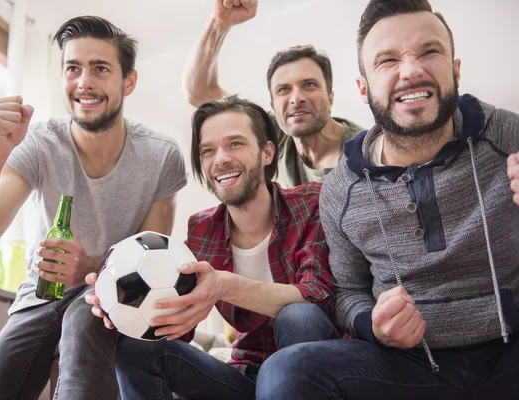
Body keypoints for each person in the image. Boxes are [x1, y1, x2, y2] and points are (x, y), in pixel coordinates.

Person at [256, 0, 519, 398]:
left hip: (511, 346)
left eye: (429, 52)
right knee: (287, 372)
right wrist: (372, 326)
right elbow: (347, 292)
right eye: (388, 60)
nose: (411, 72)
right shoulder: (340, 189)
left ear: (455, 69)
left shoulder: (508, 135)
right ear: (363, 89)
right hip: (411, 365)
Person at [0, 16, 187, 400]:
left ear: (128, 81)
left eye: (100, 69)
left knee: (84, 319)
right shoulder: (40, 143)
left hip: (111, 304)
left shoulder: (161, 157)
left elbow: (152, 272)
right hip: (40, 298)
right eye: (72, 68)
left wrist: (91, 268)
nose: (84, 82)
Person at [86, 95, 339, 399]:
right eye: (208, 150)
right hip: (245, 378)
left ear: (267, 152)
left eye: (235, 144)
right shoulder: (203, 229)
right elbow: (181, 325)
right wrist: (121, 305)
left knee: (298, 316)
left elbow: (320, 296)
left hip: (315, 377)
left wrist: (224, 286)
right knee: (137, 348)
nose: (220, 159)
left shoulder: (312, 203)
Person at [182, 0, 364, 188]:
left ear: (330, 98)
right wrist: (219, 23)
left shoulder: (366, 152)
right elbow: (199, 92)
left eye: (309, 85)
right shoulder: (278, 134)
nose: (296, 99)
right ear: (273, 107)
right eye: (283, 90)